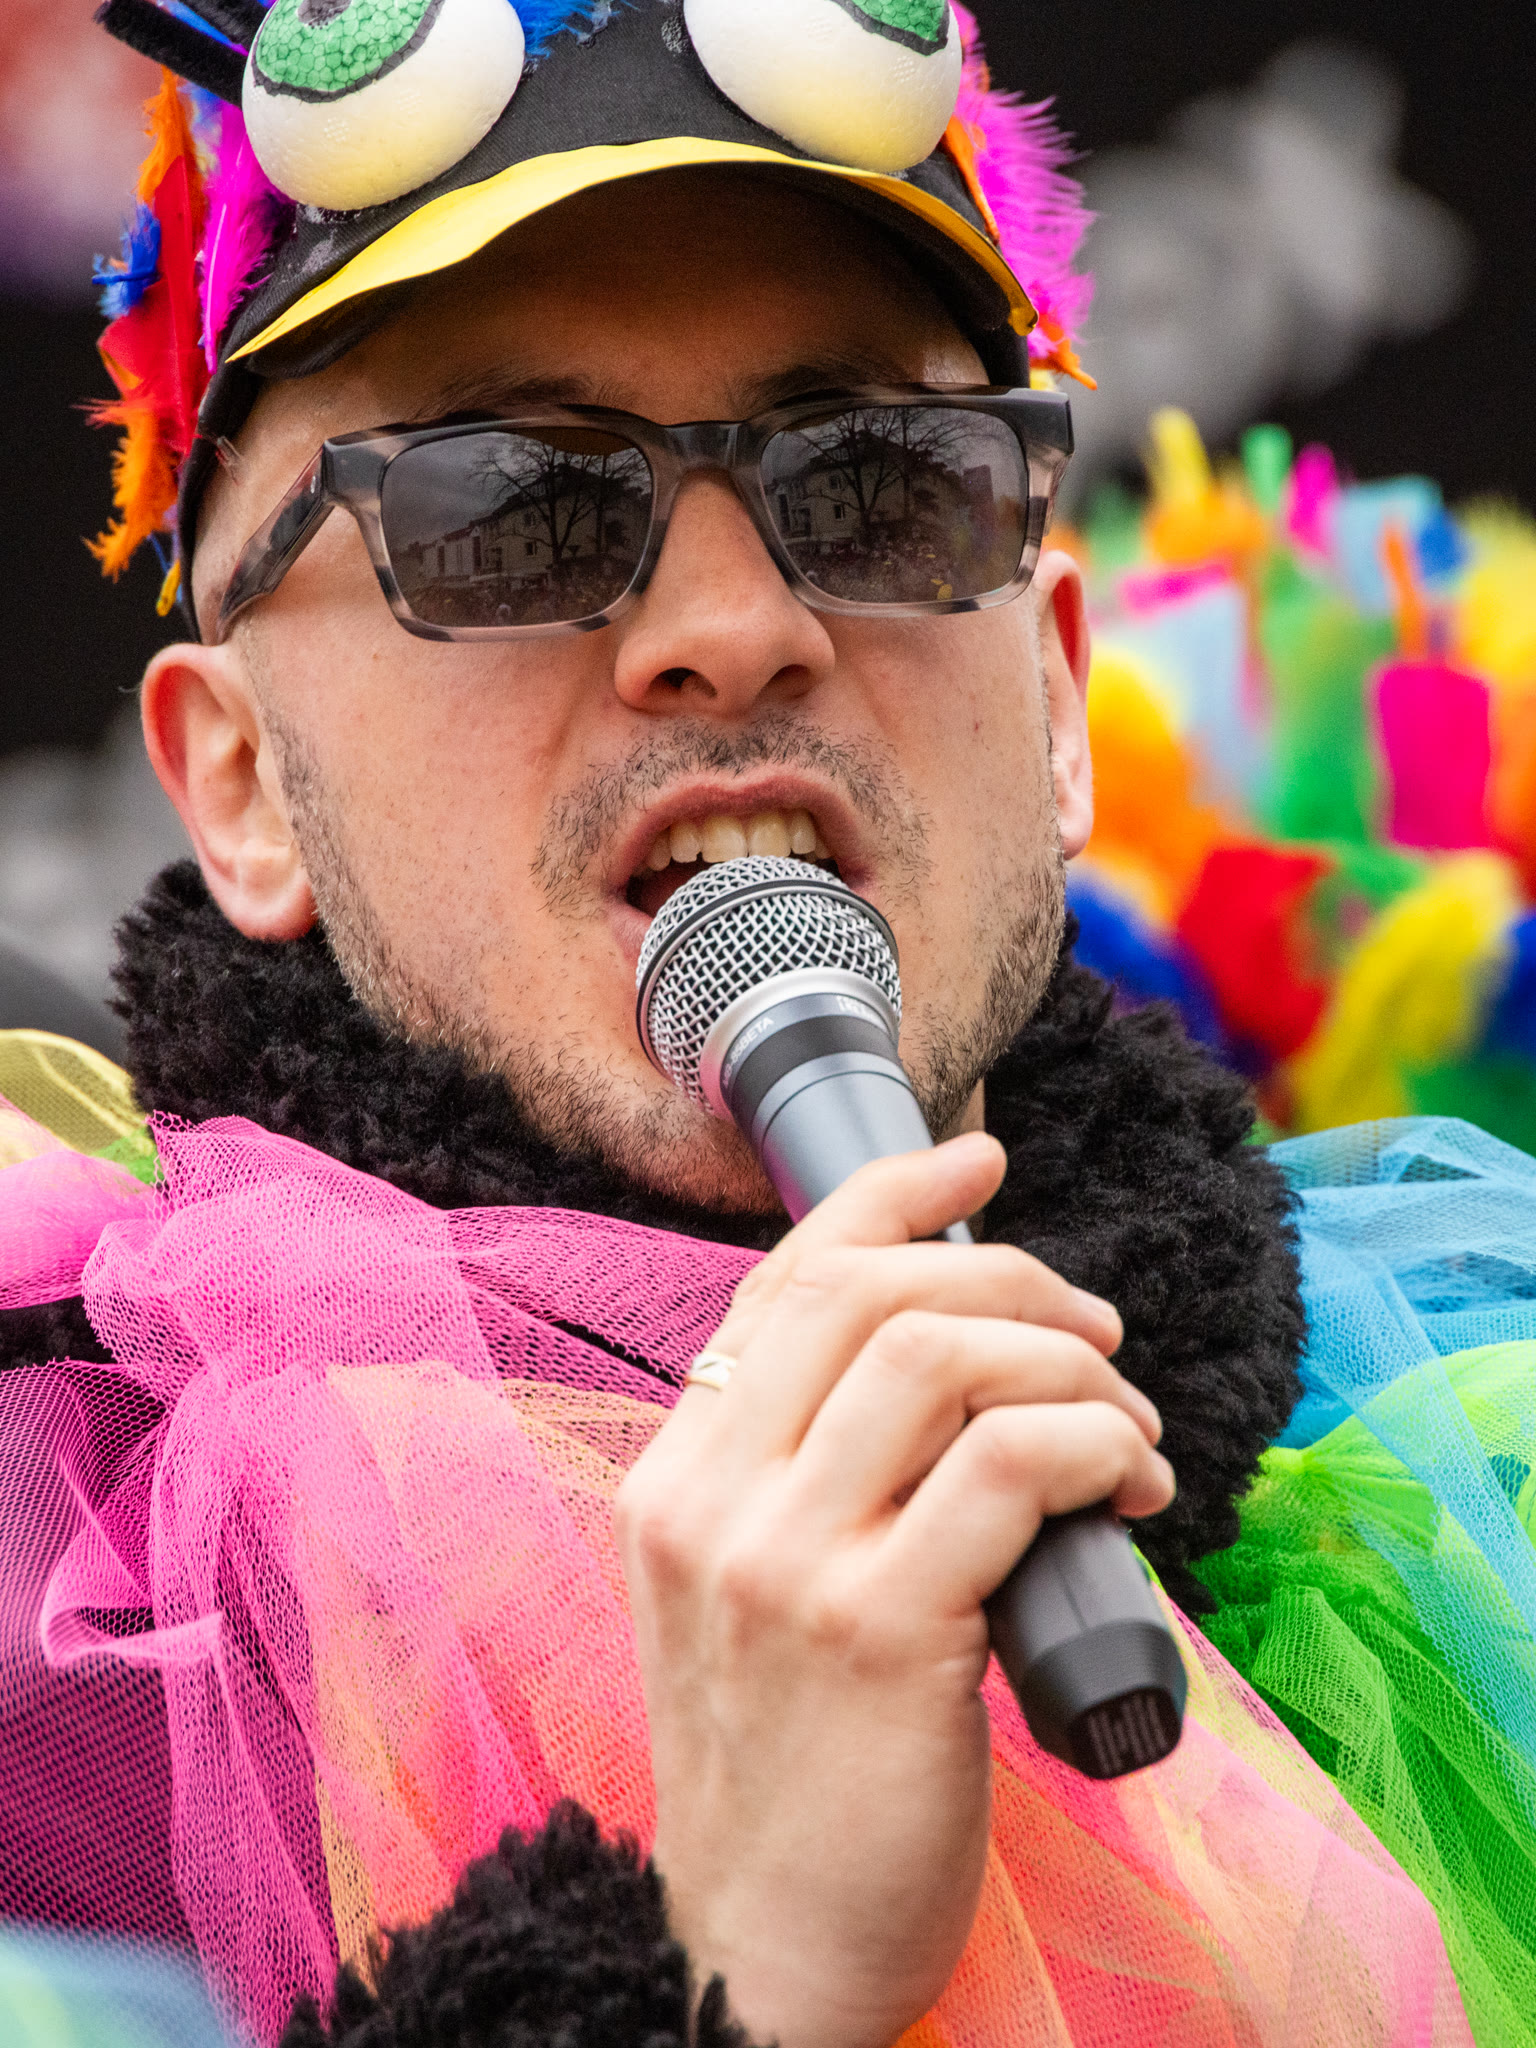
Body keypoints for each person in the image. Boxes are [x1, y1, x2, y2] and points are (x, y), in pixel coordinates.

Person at [1, 5, 1531, 2044]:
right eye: (511, 510)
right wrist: (711, 1977)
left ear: (1058, 702)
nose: (735, 630)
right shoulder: (67, 1679)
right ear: (240, 783)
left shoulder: (1474, 1479)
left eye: (883, 485)